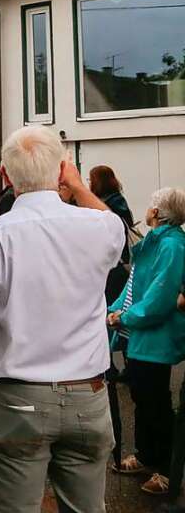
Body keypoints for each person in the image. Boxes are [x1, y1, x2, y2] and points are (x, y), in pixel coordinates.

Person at [0, 126, 126, 512]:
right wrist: (79, 188)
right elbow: (115, 227)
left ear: (4, 175)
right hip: (88, 396)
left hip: (18, 398)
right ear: (63, 170)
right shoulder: (99, 228)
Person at [108, 187, 185, 496]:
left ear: (158, 213)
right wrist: (114, 309)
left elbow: (159, 297)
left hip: (155, 336)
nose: (148, 208)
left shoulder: (172, 246)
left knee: (156, 402)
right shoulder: (155, 242)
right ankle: (146, 455)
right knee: (142, 396)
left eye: (152, 204)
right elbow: (133, 285)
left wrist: (124, 317)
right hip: (140, 335)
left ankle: (167, 469)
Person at [90, 165, 135, 305]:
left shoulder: (109, 204)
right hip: (114, 263)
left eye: (90, 180)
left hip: (114, 264)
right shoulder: (118, 200)